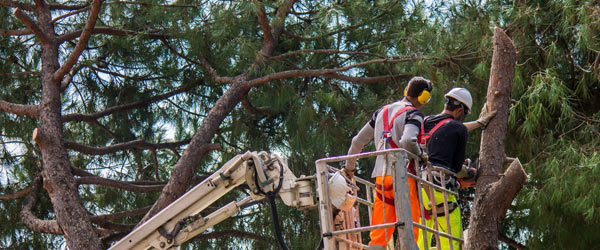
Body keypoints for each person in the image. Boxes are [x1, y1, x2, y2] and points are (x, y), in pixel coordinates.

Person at [342, 76, 432, 250]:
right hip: (405, 176)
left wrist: (349, 168)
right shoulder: (414, 113)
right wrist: (421, 156)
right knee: (410, 229)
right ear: (423, 97)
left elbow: (357, 142)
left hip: (382, 178)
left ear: (406, 91)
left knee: (379, 235)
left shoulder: (381, 112)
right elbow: (408, 141)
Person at [416, 87, 496, 250]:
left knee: (424, 230)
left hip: (420, 185)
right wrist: (471, 173)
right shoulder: (458, 129)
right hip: (440, 187)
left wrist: (478, 124)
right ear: (461, 110)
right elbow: (457, 168)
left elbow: (446, 127)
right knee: (451, 237)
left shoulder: (426, 121)